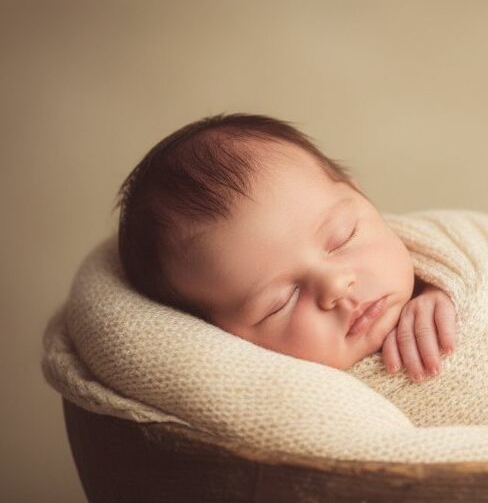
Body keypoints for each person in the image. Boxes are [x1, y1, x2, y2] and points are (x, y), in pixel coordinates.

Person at [115, 114, 456, 383]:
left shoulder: (450, 263)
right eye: (280, 303)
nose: (336, 286)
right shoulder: (289, 401)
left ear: (360, 195)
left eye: (343, 237)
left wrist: (444, 290)